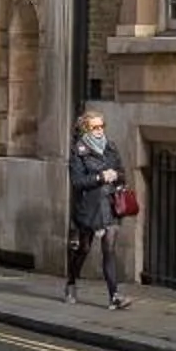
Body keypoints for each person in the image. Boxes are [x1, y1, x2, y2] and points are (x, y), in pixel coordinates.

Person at [63, 109, 128, 310]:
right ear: (86, 129)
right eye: (95, 127)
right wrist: (100, 177)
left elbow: (122, 172)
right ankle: (71, 282)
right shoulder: (78, 152)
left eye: (102, 126)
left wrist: (115, 176)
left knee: (109, 250)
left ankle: (114, 296)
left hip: (110, 205)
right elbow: (77, 182)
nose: (100, 130)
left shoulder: (110, 147)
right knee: (83, 248)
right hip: (89, 208)